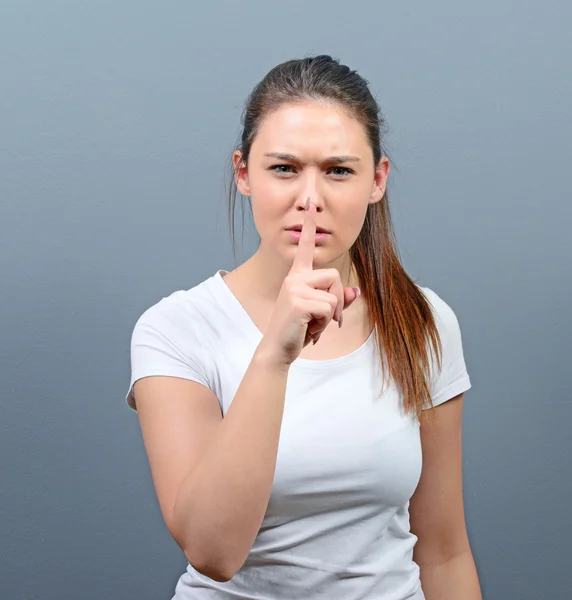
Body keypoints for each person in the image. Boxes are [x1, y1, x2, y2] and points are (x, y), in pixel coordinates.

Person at [125, 55, 482, 600]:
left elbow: (444, 549)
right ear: (243, 173)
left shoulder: (422, 320)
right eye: (284, 168)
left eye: (338, 170)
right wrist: (274, 355)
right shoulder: (176, 329)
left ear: (376, 179)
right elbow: (213, 551)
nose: (310, 199)